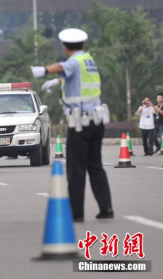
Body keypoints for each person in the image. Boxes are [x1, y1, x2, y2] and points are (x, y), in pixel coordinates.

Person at [31, 28, 114, 222]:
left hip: (80, 123)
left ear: (65, 47)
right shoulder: (88, 60)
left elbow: (62, 67)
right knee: (95, 166)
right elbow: (70, 75)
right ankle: (106, 208)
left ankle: (76, 213)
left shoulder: (73, 61)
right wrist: (56, 81)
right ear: (83, 45)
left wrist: (44, 71)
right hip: (96, 121)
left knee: (75, 169)